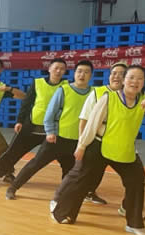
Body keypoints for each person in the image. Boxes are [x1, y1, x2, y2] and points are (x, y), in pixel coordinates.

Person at [51, 65, 145, 235]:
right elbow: (92, 122)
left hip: (124, 149)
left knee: (136, 180)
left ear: (144, 82)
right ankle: (62, 213)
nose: (135, 81)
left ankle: (134, 224)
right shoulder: (108, 97)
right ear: (124, 80)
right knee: (82, 180)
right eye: (131, 77)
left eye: (140, 78)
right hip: (99, 146)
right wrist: (82, 145)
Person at [5, 60, 93, 200]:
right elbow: (50, 114)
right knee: (36, 164)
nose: (82, 75)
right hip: (57, 138)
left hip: (76, 141)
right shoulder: (64, 90)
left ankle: (64, 196)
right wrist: (50, 132)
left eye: (86, 72)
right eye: (79, 71)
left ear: (91, 75)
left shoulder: (93, 93)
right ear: (74, 73)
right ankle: (13, 187)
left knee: (69, 170)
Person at [0, 58, 68, 188]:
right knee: (13, 152)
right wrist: (20, 121)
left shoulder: (66, 86)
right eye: (56, 68)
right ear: (49, 69)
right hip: (31, 127)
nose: (58, 71)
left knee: (66, 157)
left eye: (62, 69)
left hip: (52, 131)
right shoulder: (38, 83)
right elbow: (27, 102)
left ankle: (68, 183)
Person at [76, 62, 127, 205]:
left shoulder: (129, 96)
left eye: (121, 74)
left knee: (132, 177)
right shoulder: (98, 92)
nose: (117, 77)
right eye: (114, 73)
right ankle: (62, 201)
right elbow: (84, 119)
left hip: (118, 144)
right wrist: (81, 143)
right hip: (96, 141)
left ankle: (127, 206)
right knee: (82, 173)